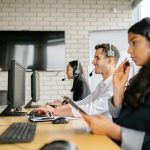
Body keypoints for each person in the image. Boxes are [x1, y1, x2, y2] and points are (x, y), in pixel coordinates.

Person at [81, 17, 150, 150]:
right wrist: (118, 89)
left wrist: (114, 131)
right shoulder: (139, 79)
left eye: (134, 42)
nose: (129, 50)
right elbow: (124, 119)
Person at [35, 43, 120, 118]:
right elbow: (83, 102)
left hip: (104, 134)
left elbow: (90, 109)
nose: (93, 62)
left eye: (97, 58)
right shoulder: (102, 84)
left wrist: (54, 111)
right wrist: (56, 108)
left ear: (109, 61)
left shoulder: (114, 86)